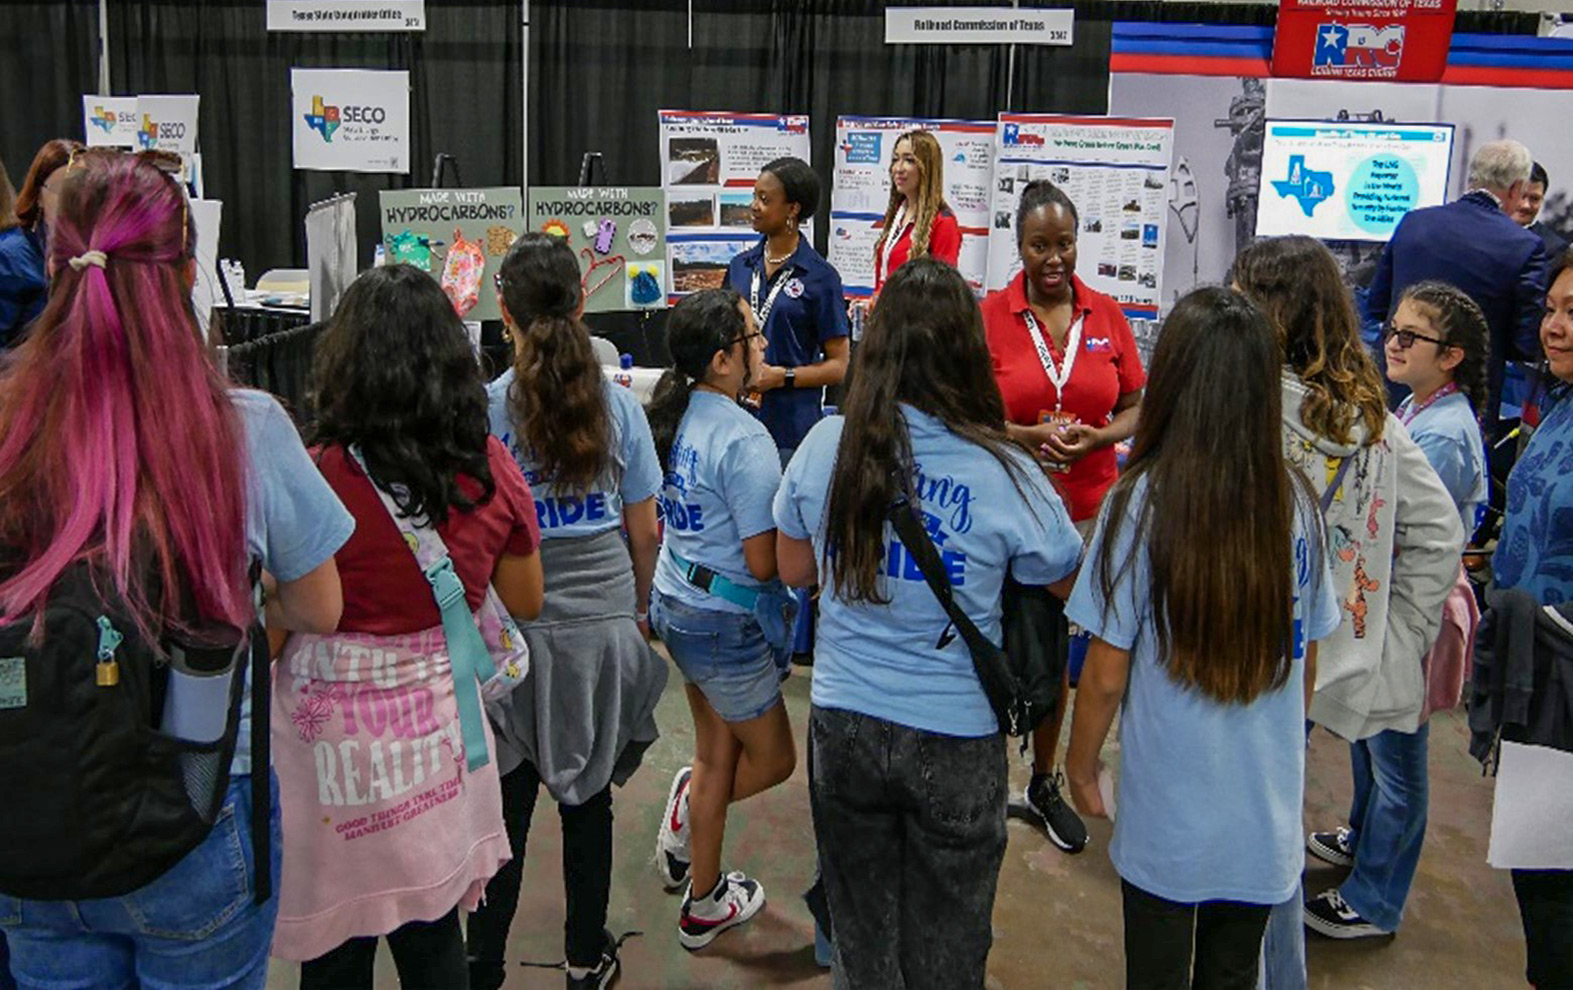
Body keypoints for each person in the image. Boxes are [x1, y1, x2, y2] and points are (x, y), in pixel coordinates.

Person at [0, 150, 352, 988]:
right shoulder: (245, 427)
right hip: (195, 798)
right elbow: (320, 604)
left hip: (29, 802)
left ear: (51, 263)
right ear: (187, 270)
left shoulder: (10, 421)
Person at [774, 258, 1083, 988]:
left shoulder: (828, 446)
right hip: (955, 732)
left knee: (861, 928)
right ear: (967, 353)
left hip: (844, 720)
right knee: (948, 940)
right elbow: (1067, 578)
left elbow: (792, 570)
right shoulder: (1003, 469)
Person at [268, 264, 545, 988]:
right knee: (433, 939)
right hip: (436, 741)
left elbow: (270, 633)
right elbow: (525, 595)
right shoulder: (488, 467)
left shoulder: (314, 472)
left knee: (334, 952)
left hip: (328, 757)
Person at [1063, 286, 1341, 990]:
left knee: (1153, 974)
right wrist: (1285, 752)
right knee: (1232, 973)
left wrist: (1079, 765)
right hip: (1264, 809)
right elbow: (1305, 656)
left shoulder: (1142, 502)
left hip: (1167, 813)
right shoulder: (1294, 503)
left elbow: (1103, 673)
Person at [1232, 236, 1463, 971]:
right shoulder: (1374, 423)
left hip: (1240, 654)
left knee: (1244, 842)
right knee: (1271, 830)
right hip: (1326, 656)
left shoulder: (1239, 405)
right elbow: (1440, 533)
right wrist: (1396, 636)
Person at [472, 231, 668, 990]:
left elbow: (475, 530)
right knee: (589, 810)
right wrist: (641, 611)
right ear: (584, 303)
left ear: (503, 313)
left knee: (505, 820)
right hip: (603, 629)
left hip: (513, 635)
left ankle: (479, 966)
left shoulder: (487, 409)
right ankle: (585, 960)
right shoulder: (620, 407)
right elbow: (643, 530)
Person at [1286, 279, 1489, 948]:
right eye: (1390, 331)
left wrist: (1401, 632)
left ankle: (1375, 897)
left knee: (1398, 757)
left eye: (1409, 337)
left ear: (1450, 354)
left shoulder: (1440, 436)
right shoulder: (1410, 411)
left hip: (1408, 612)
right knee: (1375, 748)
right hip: (1384, 607)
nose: (1391, 344)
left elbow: (1422, 535)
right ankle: (1363, 838)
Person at [980, 179, 1145, 854]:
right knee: (1000, 645)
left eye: (1064, 243)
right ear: (1017, 246)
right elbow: (963, 411)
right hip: (1006, 512)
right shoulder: (988, 315)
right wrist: (1023, 436)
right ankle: (983, 780)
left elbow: (1138, 402)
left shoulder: (1106, 316)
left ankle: (1045, 781)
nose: (1052, 258)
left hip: (1087, 513)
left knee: (1061, 655)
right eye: (1038, 245)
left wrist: (1101, 437)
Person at [645, 289, 798, 949]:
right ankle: (693, 837)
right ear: (722, 360)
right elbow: (765, 564)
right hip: (722, 623)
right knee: (772, 760)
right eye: (752, 338)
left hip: (676, 602)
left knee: (714, 756)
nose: (762, 347)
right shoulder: (745, 439)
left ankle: (704, 889)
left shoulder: (678, 413)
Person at [1487, 246, 1573, 988]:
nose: (1555, 326)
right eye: (1552, 308)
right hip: (1534, 678)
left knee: (1556, 886)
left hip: (1567, 688)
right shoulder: (1560, 401)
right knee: (1538, 872)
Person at [1363, 139, 1548, 435]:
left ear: (1471, 179)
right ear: (1516, 189)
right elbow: (1525, 342)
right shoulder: (1524, 246)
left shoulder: (1413, 222)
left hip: (1395, 385)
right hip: (1467, 397)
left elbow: (1377, 305)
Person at [725, 156, 850, 463]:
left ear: (793, 209)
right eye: (754, 196)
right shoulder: (740, 267)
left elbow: (839, 366)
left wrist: (784, 376)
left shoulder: (821, 277)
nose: (754, 206)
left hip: (791, 431)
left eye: (765, 199)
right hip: (735, 421)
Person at [0, 139, 82, 346]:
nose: (72, 200)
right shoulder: (10, 257)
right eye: (61, 188)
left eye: (82, 188)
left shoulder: (105, 252)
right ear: (38, 196)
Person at [871, 129, 962, 295]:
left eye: (909, 160)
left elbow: (943, 295)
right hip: (886, 317)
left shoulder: (943, 223)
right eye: (895, 159)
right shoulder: (898, 215)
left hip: (916, 319)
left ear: (927, 167)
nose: (898, 168)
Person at [1512, 161, 1568, 265]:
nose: (1526, 205)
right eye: (1521, 196)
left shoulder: (1552, 248)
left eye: (1534, 198)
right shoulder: (1481, 231)